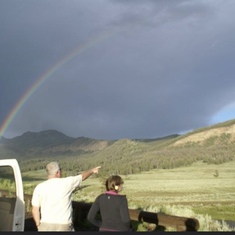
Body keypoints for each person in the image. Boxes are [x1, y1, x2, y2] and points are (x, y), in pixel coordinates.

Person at [31, 161, 101, 231]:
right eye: (60, 170)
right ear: (57, 172)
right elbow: (82, 177)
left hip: (46, 224)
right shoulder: (67, 182)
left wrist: (38, 225)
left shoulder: (39, 187)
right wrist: (92, 170)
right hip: (64, 224)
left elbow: (35, 209)